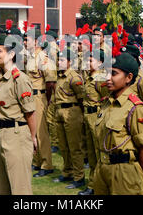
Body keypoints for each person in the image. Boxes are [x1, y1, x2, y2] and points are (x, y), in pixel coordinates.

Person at [93, 51, 143, 195]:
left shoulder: (135, 107)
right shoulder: (107, 103)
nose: (107, 78)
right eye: (106, 73)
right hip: (103, 168)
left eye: (113, 73)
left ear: (128, 77)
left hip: (124, 172)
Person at [0, 33, 37, 195]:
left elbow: (30, 112)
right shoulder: (1, 78)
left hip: (16, 134)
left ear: (11, 54)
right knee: (2, 188)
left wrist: (32, 138)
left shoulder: (20, 79)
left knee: (20, 189)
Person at [53, 46, 86, 190]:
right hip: (59, 111)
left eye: (62, 60)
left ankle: (79, 177)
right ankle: (67, 172)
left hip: (72, 112)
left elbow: (81, 98)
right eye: (58, 59)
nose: (59, 62)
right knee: (63, 145)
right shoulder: (60, 76)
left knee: (74, 146)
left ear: (69, 61)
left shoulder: (74, 77)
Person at [25, 29, 56, 178]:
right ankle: (37, 161)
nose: (25, 42)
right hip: (31, 96)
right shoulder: (31, 57)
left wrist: (47, 99)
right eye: (25, 39)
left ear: (36, 41)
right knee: (33, 131)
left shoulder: (43, 58)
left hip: (39, 96)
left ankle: (46, 164)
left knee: (41, 131)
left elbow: (50, 82)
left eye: (28, 39)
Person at [78, 49, 109, 195]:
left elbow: (106, 100)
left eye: (91, 60)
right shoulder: (89, 78)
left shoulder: (101, 79)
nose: (88, 63)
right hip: (87, 116)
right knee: (90, 153)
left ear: (101, 62)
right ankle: (92, 183)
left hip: (96, 116)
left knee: (98, 152)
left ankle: (99, 185)